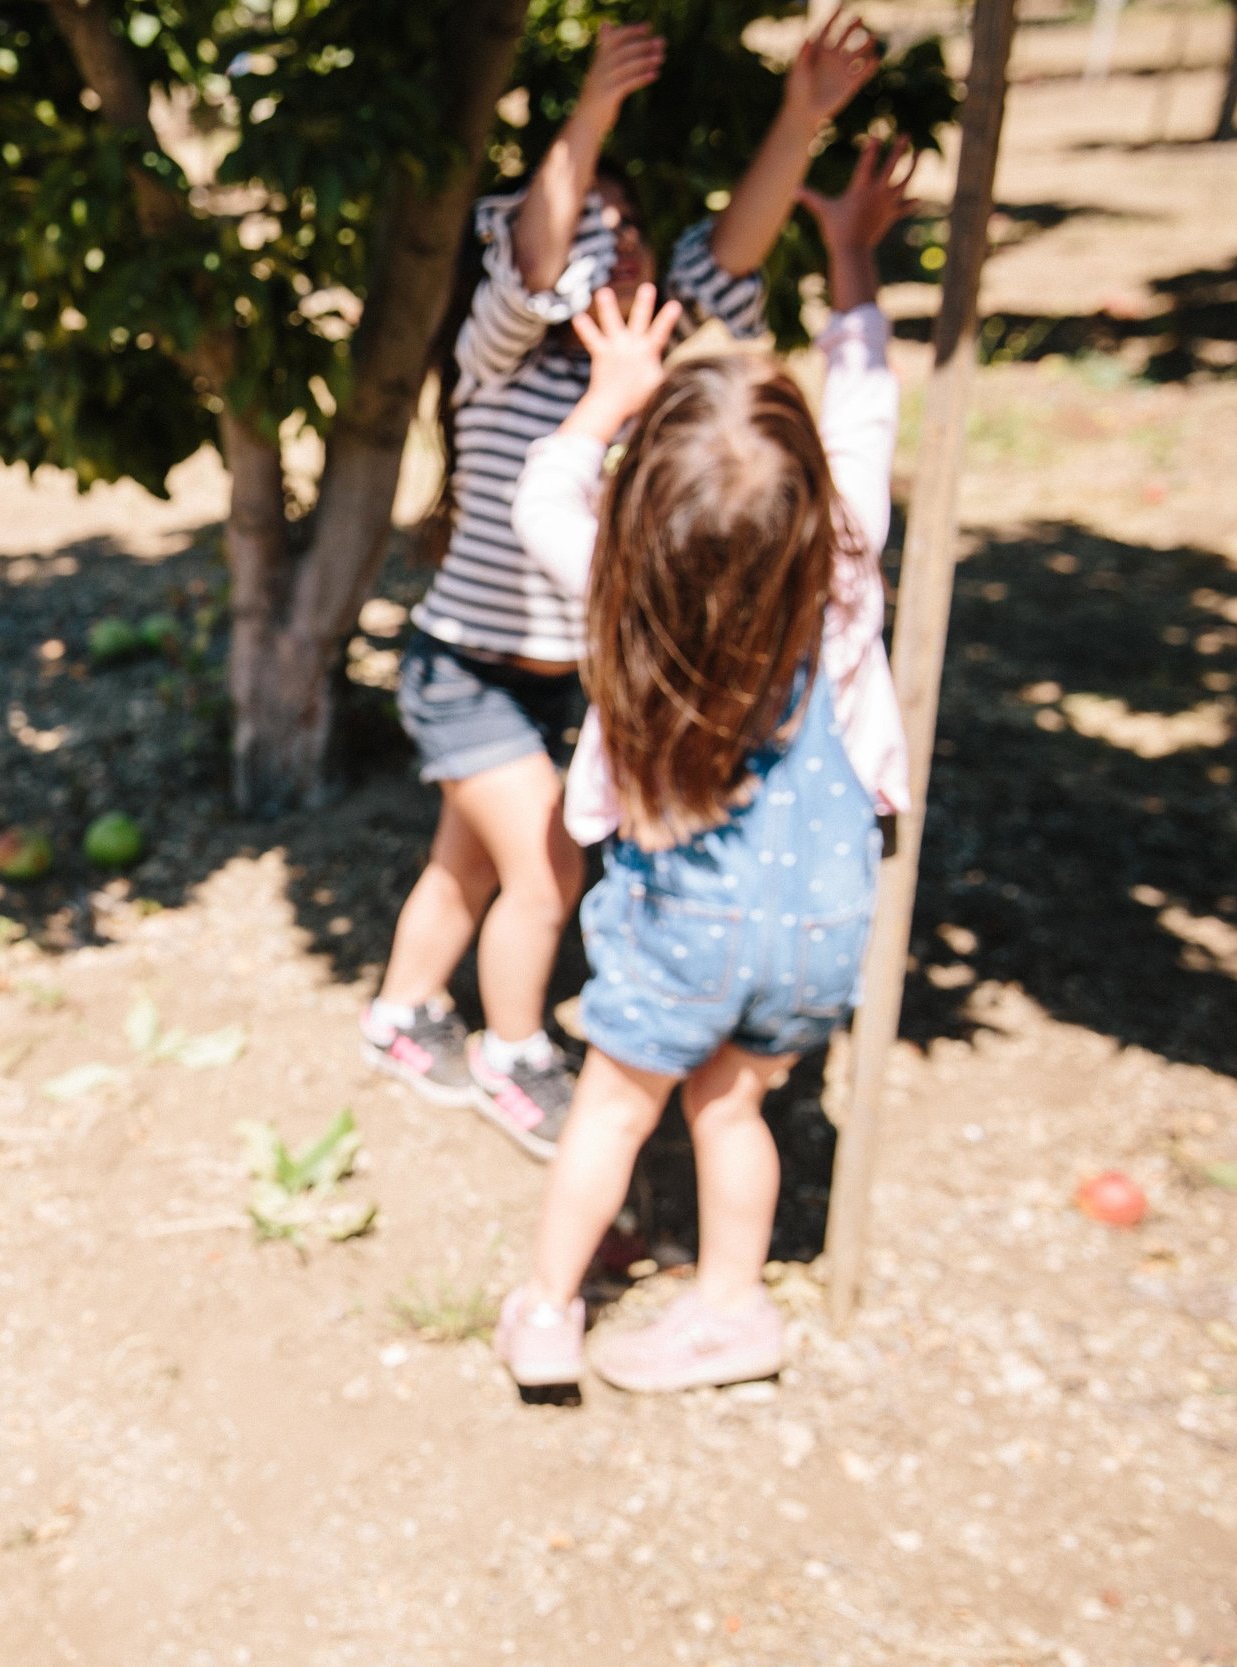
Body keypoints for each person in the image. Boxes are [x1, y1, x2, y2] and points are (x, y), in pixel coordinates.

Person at [361, 12, 886, 1160]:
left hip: (567, 681)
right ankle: (513, 1054)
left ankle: (401, 1014)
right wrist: (590, 111)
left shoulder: (656, 380)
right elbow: (536, 258)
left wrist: (802, 117)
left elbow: (732, 252)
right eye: (593, 230)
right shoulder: (501, 356)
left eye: (632, 231)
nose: (621, 247)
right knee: (545, 866)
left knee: (469, 858)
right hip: (469, 668)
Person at [490, 133, 920, 1394]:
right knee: (732, 1104)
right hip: (816, 914)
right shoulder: (841, 578)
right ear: (814, 504)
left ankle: (546, 1312)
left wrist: (608, 393)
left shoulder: (619, 595)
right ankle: (733, 1309)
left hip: (678, 914)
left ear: (639, 515)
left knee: (616, 1106)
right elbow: (868, 410)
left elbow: (539, 494)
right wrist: (850, 261)